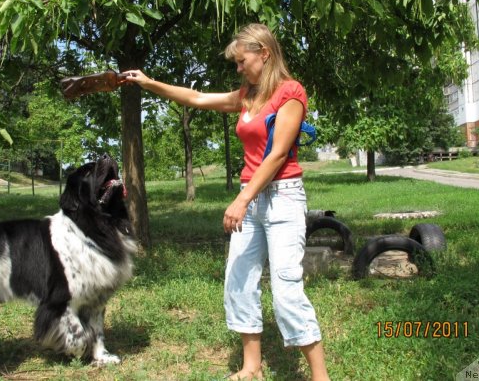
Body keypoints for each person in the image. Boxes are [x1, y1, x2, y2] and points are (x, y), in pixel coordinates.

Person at [124, 23, 329, 381]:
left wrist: (241, 199)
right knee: (239, 281)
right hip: (251, 200)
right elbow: (198, 99)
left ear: (264, 53)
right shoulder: (246, 95)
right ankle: (252, 367)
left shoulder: (290, 93)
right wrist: (149, 82)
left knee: (285, 289)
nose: (238, 68)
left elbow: (278, 154)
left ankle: (320, 376)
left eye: (241, 60)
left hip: (281, 198)